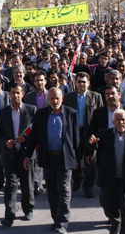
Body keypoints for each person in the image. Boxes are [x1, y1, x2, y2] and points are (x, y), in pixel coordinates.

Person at [23, 88, 79, 234]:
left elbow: (76, 139)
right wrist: (28, 155)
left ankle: (62, 223)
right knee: (52, 191)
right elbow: (33, 137)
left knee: (64, 190)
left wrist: (77, 158)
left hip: (64, 158)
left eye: (57, 98)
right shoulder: (41, 114)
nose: (55, 101)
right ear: (48, 99)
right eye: (52, 99)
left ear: (62, 98)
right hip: (48, 158)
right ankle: (56, 219)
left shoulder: (71, 113)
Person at [87, 109, 125, 234]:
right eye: (118, 120)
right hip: (108, 179)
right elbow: (96, 147)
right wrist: (92, 144)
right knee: (106, 204)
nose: (121, 122)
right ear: (113, 121)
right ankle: (115, 222)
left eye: (123, 119)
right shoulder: (103, 134)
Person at [0, 83, 36, 226]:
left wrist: (26, 139)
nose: (15, 95)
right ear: (9, 94)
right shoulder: (3, 112)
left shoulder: (31, 110)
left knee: (26, 184)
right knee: (11, 185)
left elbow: (36, 133)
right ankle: (10, 215)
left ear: (23, 94)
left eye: (18, 93)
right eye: (13, 93)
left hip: (26, 155)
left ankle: (28, 209)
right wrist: (6, 142)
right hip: (10, 155)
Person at [62, 72, 103, 199]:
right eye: (79, 81)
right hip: (74, 132)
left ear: (88, 83)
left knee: (90, 161)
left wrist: (97, 135)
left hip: (90, 133)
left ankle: (88, 187)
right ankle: (77, 179)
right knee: (75, 159)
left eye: (84, 82)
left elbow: (100, 117)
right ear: (75, 83)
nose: (81, 84)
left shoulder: (96, 97)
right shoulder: (69, 98)